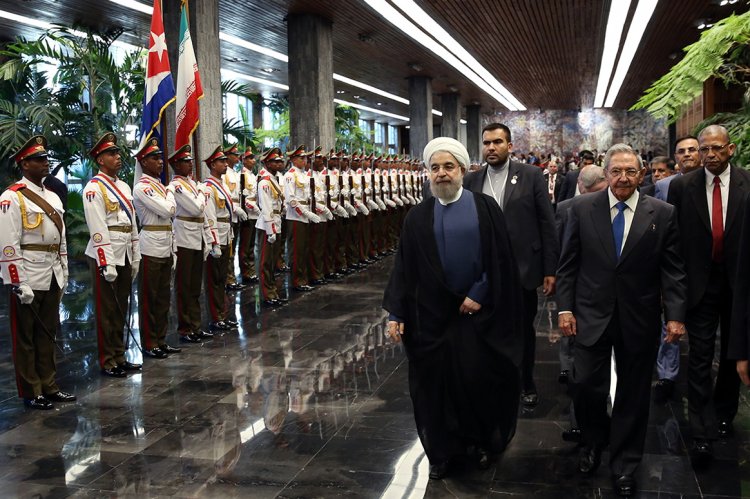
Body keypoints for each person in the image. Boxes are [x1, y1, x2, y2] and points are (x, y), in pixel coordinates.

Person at [383, 137, 523, 480]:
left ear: (462, 170)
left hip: (476, 314)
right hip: (431, 318)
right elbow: (404, 268)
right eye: (435, 168)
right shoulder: (417, 216)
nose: (441, 173)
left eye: (448, 167)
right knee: (434, 387)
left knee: (476, 380)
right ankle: (442, 452)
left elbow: (500, 258)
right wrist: (396, 313)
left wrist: (480, 292)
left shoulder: (485, 208)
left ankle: (478, 443)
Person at [557, 143, 687, 497]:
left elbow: (673, 270)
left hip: (639, 316)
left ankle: (626, 464)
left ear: (641, 174)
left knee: (633, 393)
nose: (623, 178)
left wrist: (675, 316)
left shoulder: (662, 213)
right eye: (616, 171)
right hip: (589, 314)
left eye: (631, 171)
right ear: (606, 173)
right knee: (586, 385)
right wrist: (565, 308)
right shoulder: (581, 208)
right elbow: (568, 264)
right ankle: (592, 442)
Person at [667, 125, 750, 468]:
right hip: (699, 283)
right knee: (700, 356)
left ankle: (724, 414)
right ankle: (701, 429)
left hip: (739, 283)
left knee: (733, 352)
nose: (710, 155)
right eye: (704, 149)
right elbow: (672, 240)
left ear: (731, 149)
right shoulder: (682, 186)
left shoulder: (747, 183)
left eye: (717, 148)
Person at [463, 123, 558, 407]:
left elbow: (546, 223)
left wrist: (549, 269)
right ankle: (492, 381)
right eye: (487, 143)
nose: (491, 147)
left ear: (510, 146)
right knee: (485, 329)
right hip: (483, 271)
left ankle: (525, 382)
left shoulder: (530, 175)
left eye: (497, 142)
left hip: (522, 268)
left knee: (522, 329)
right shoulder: (472, 180)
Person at [0, 135, 76, 409]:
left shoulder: (53, 196)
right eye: (39, 159)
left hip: (52, 271)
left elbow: (61, 238)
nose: (46, 163)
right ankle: (32, 390)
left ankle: (49, 385)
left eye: (45, 158)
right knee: (26, 337)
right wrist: (17, 281)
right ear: (24, 164)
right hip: (29, 273)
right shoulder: (11, 197)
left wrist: (64, 270)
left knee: (48, 333)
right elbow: (8, 243)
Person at [83, 132, 142, 378]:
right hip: (106, 255)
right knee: (107, 309)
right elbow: (97, 228)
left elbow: (132, 223)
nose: (117, 157)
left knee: (121, 307)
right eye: (111, 153)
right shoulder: (94, 188)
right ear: (100, 160)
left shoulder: (124, 186)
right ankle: (108, 360)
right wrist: (106, 262)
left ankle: (120, 355)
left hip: (125, 252)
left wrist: (136, 255)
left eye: (117, 152)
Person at [132, 138, 180, 359]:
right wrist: (170, 194)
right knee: (149, 298)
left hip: (166, 242)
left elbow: (169, 213)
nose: (160, 161)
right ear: (143, 162)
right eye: (154, 158)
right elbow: (168, 210)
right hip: (150, 245)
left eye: (160, 157)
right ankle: (150, 342)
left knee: (163, 297)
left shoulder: (160, 186)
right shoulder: (142, 188)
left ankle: (161, 339)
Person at [168, 144, 212, 344]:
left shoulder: (192, 184)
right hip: (184, 237)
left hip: (197, 235)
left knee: (195, 286)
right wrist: (202, 193)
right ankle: (185, 328)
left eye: (190, 161)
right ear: (176, 165)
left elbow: (201, 212)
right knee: (184, 285)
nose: (190, 164)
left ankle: (196, 325)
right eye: (185, 161)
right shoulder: (176, 186)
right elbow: (196, 208)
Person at [203, 146, 238, 332]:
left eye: (225, 161)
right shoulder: (209, 188)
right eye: (221, 161)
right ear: (212, 165)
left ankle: (222, 314)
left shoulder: (222, 185)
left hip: (226, 233)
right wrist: (214, 242)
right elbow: (210, 217)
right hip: (217, 235)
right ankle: (216, 317)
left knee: (222, 277)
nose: (225, 164)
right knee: (214, 279)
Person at [256, 148, 287, 307]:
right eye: (275, 161)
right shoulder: (264, 182)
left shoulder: (274, 180)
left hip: (277, 222)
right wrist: (271, 230)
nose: (279, 163)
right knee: (266, 263)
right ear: (267, 163)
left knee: (273, 261)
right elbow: (266, 206)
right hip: (268, 226)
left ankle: (273, 291)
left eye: (280, 161)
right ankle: (267, 294)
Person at [654, 136, 700, 202]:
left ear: (701, 152)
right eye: (681, 151)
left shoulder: (711, 180)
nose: (686, 154)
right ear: (675, 157)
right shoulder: (663, 186)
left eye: (692, 150)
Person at [239, 148, 260, 284]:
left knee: (251, 244)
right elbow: (243, 197)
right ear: (244, 160)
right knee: (245, 246)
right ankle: (245, 272)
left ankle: (251, 270)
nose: (253, 161)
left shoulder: (253, 176)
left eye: (253, 158)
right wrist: (253, 207)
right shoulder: (242, 175)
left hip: (255, 213)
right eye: (250, 158)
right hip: (247, 212)